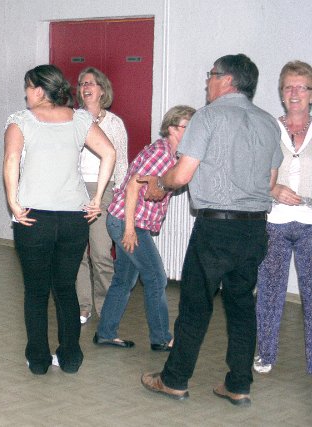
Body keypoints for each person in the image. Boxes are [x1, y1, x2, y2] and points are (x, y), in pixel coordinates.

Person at [138, 54, 282, 407]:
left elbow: (182, 174)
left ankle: (174, 380)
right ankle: (239, 385)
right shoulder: (267, 123)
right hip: (254, 228)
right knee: (241, 306)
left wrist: (159, 184)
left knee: (195, 305)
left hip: (216, 228)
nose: (207, 81)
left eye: (211, 74)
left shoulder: (208, 116)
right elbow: (270, 181)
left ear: (227, 80)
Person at [4, 64, 116, 375]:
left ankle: (39, 360)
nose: (26, 93)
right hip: (73, 219)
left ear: (40, 91)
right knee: (65, 287)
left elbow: (11, 159)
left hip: (33, 219)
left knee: (36, 291)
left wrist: (13, 202)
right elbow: (109, 152)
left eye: (28, 87)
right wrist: (96, 199)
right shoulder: (79, 119)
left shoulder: (21, 121)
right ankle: (70, 357)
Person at [95, 105, 195, 351]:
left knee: (123, 280)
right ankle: (161, 338)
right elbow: (132, 187)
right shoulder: (160, 153)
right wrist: (129, 230)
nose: (192, 131)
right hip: (127, 223)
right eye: (187, 126)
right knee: (156, 278)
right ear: (172, 129)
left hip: (126, 222)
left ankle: (105, 333)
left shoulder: (174, 155)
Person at [254, 60, 312, 375]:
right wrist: (274, 189)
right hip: (274, 223)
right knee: (270, 292)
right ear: (281, 92)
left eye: (301, 87)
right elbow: (255, 172)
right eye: (288, 87)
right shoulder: (269, 129)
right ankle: (265, 355)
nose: (295, 93)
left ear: (311, 93)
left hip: (311, 225)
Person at [75, 67, 129, 325]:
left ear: (102, 90)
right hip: (75, 188)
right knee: (77, 253)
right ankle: (83, 306)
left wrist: (119, 195)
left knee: (100, 253)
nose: (86, 87)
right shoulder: (73, 119)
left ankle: (107, 308)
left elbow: (122, 163)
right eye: (82, 83)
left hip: (104, 189)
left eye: (91, 83)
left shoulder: (114, 123)